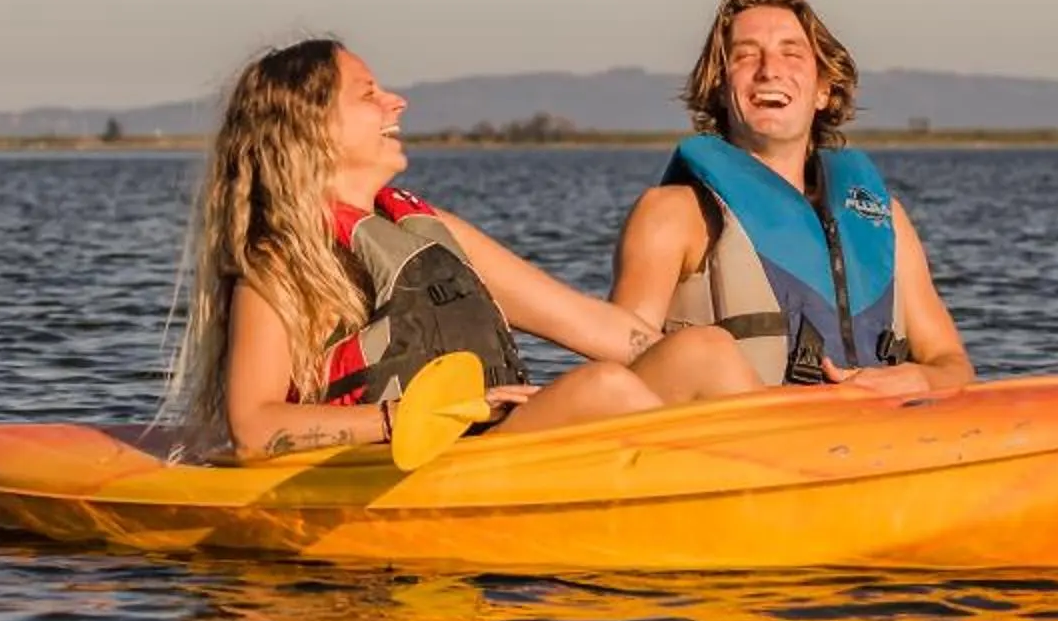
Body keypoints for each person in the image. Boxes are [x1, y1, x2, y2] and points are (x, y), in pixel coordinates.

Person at [167, 37, 753, 460]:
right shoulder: (282, 264)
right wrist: (407, 419)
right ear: (311, 126)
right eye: (368, 94)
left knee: (704, 349)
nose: (397, 102)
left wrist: (823, 395)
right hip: (407, 469)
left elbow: (603, 330)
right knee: (603, 388)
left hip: (487, 443)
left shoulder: (428, 230)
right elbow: (253, 426)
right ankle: (741, 497)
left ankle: (801, 457)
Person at [612, 0, 973, 396]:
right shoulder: (672, 215)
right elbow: (621, 372)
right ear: (718, 88)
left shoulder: (885, 220)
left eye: (792, 53)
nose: (769, 70)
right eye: (746, 55)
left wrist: (920, 377)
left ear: (823, 91)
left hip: (869, 436)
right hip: (734, 440)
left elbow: (954, 365)